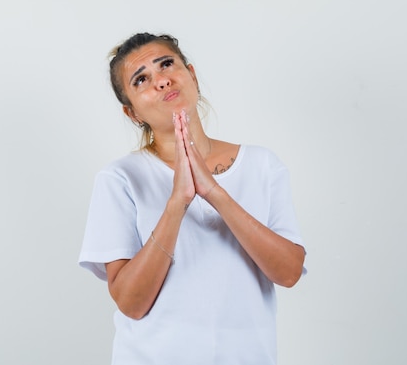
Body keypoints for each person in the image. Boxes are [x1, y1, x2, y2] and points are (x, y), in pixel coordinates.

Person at [78, 32, 306, 365]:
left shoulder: (262, 165)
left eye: (166, 64)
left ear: (192, 75)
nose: (161, 81)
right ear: (133, 113)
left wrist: (214, 193)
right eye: (141, 80)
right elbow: (130, 302)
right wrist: (177, 203)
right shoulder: (120, 179)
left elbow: (288, 273)